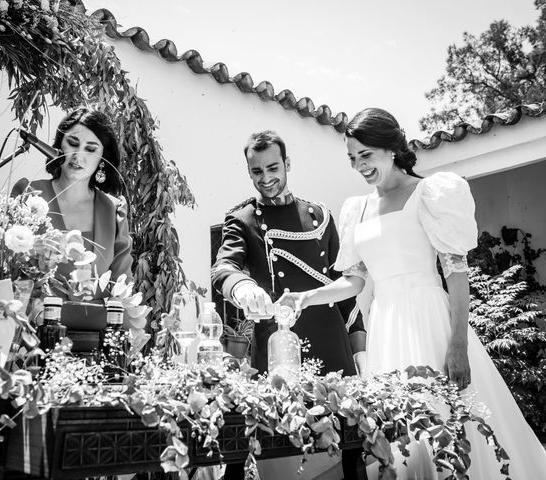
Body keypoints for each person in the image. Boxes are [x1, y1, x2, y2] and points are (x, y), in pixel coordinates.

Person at [277, 108, 546, 479]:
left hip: (430, 322)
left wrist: (458, 345)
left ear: (391, 148)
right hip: (386, 327)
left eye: (365, 155)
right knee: (402, 439)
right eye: (353, 158)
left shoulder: (430, 194)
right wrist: (305, 297)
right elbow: (354, 282)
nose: (359, 165)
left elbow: (456, 273)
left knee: (448, 426)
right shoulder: (359, 209)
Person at [211, 130, 367, 480]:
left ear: (287, 164)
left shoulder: (321, 216)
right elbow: (223, 268)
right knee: (275, 451)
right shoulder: (242, 220)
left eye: (273, 167)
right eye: (256, 171)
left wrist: (360, 348)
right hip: (279, 350)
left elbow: (343, 285)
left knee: (350, 450)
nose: (266, 178)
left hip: (332, 346)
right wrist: (243, 287)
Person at [12, 107, 133, 300]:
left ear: (103, 158)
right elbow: (10, 271)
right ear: (60, 145)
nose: (78, 156)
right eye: (72, 143)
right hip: (32, 323)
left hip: (92, 326)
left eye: (91, 149)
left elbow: (122, 287)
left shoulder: (113, 211)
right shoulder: (28, 194)